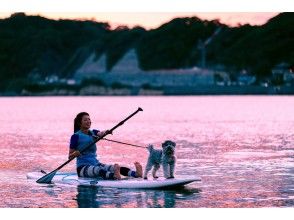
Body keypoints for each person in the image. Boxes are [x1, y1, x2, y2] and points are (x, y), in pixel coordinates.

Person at [69, 112, 142, 180]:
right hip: (82, 168)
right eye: (85, 120)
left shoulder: (93, 132)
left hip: (96, 163)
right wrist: (75, 154)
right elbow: (70, 156)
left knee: (114, 168)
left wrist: (106, 132)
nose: (88, 121)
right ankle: (113, 176)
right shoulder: (75, 136)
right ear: (79, 123)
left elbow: (100, 133)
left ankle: (136, 174)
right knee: (98, 170)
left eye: (89, 119)